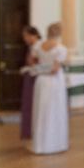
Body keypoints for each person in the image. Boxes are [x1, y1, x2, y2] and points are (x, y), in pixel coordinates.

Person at [30, 23, 68, 155]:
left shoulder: (38, 46)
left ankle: (41, 144)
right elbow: (54, 69)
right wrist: (47, 68)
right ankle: (54, 144)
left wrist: (40, 68)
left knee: (41, 111)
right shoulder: (60, 49)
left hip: (41, 81)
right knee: (54, 111)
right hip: (54, 82)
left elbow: (33, 62)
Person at [19, 25, 41, 140]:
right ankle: (27, 131)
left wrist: (31, 68)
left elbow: (43, 65)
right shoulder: (31, 48)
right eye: (24, 36)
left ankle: (34, 130)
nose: (25, 39)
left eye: (27, 36)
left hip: (35, 78)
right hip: (29, 78)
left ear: (35, 35)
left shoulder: (39, 48)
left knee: (33, 104)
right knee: (27, 104)